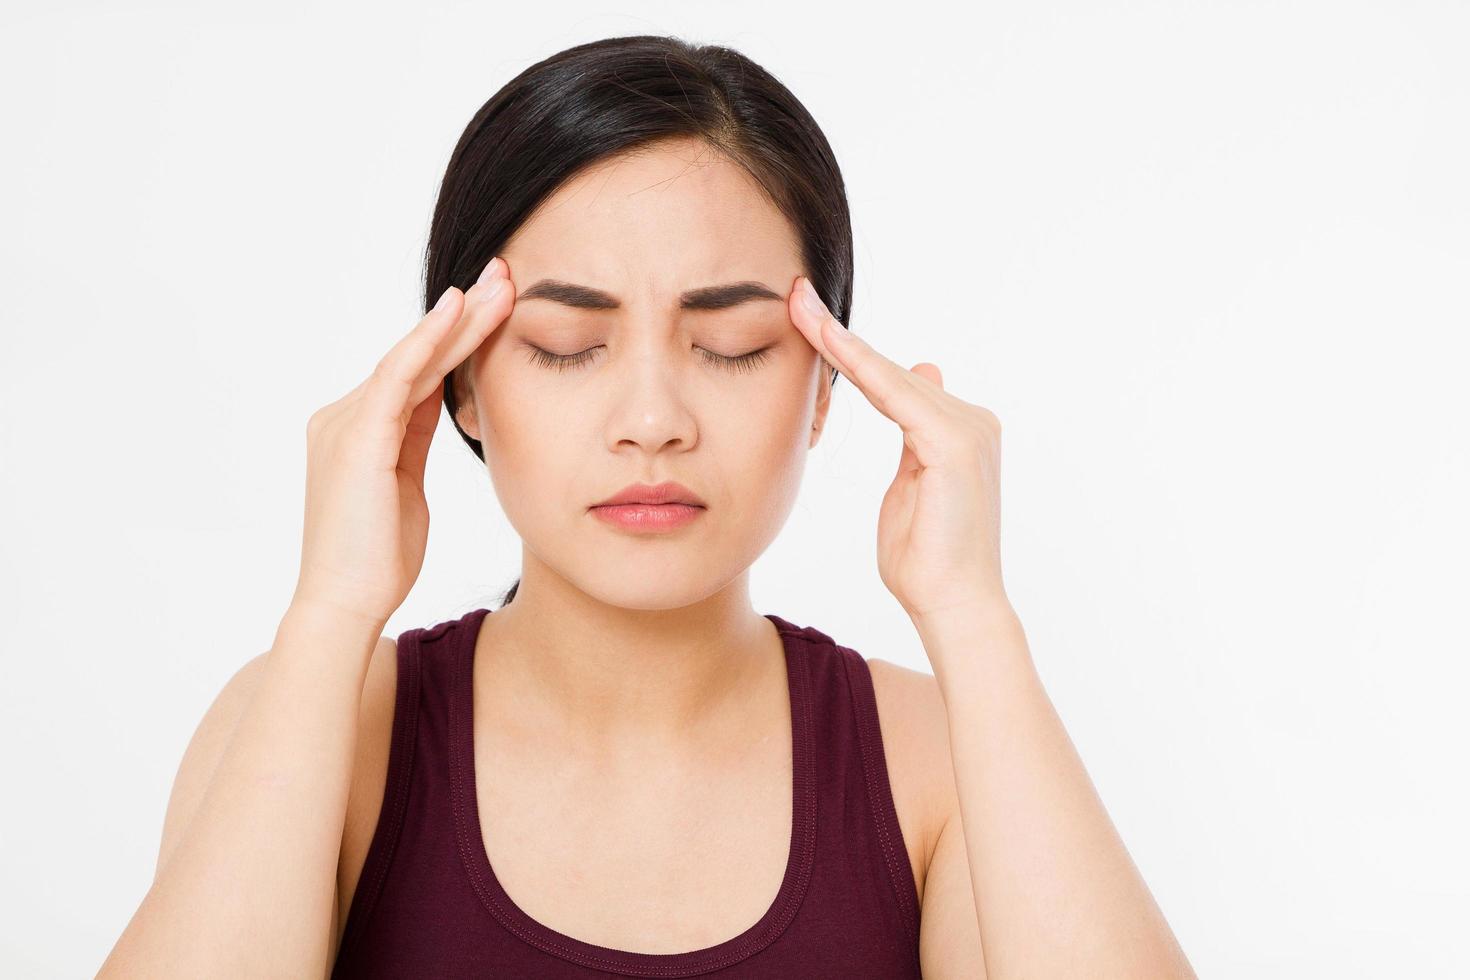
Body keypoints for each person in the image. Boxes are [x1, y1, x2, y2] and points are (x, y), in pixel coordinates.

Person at [99, 35, 1195, 978]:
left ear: (825, 388)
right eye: (569, 346)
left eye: (732, 346)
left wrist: (975, 619)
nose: (653, 419)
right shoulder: (313, 717)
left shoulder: (940, 759)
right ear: (461, 381)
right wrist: (331, 606)